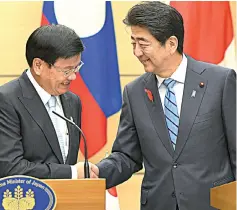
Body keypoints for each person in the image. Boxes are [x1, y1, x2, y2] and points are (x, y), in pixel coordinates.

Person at [90, 1, 236, 210]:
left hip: (213, 204)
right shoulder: (134, 92)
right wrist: (98, 171)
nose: (137, 52)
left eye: (143, 43)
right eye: (133, 43)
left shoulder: (220, 82)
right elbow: (127, 155)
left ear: (171, 44)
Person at [0, 24, 97, 179]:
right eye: (66, 70)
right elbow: (11, 167)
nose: (73, 77)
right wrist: (71, 173)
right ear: (38, 65)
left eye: (76, 68)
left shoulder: (73, 101)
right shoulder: (6, 100)